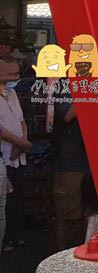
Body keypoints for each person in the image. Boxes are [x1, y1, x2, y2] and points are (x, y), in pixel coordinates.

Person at [52, 95, 90, 250]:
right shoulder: (63, 87)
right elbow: (67, 115)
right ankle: (62, 255)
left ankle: (84, 250)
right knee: (67, 214)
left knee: (89, 214)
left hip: (93, 161)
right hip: (69, 162)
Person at [0, 58, 29, 253]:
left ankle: (13, 236)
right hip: (4, 156)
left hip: (18, 157)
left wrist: (23, 143)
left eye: (17, 74)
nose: (15, 79)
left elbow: (21, 120)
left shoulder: (12, 94)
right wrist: (20, 143)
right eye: (11, 75)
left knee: (16, 199)